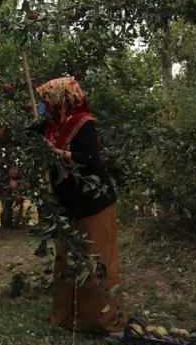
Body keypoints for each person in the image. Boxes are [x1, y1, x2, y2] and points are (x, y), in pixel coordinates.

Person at [34, 77, 125, 334]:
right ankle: (66, 319)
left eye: (48, 100)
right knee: (64, 262)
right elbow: (25, 134)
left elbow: (90, 159)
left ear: (63, 100)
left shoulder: (83, 124)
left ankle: (103, 324)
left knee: (95, 264)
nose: (44, 106)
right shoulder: (52, 126)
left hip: (95, 203)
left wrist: (59, 154)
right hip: (68, 207)